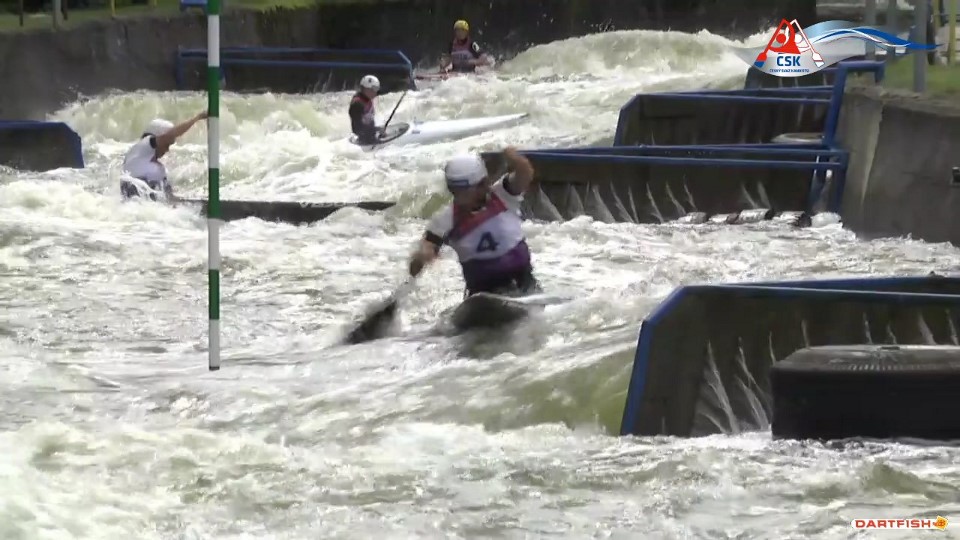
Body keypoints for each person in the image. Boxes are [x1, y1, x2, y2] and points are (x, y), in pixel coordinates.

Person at [408, 147, 541, 298]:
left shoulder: (504, 195)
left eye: (464, 190)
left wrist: (514, 158)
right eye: (455, 190)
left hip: (522, 281)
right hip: (482, 291)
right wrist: (422, 255)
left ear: (483, 184)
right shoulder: (446, 219)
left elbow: (525, 173)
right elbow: (427, 246)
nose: (459, 197)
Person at [121, 111, 207, 201]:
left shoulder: (157, 167)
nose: (167, 150)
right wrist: (197, 118)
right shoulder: (144, 145)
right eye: (166, 145)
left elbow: (170, 199)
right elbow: (169, 135)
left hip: (149, 201)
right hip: (135, 195)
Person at [349, 75, 382, 145]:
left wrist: (376, 130)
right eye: (374, 89)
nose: (375, 92)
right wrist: (376, 130)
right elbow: (357, 128)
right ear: (365, 89)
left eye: (376, 89)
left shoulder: (367, 97)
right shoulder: (357, 104)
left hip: (370, 132)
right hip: (363, 136)